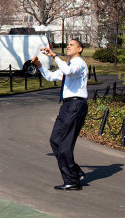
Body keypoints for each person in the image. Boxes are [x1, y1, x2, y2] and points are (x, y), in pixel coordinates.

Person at [31, 39, 88, 191]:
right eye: (67, 45)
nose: (68, 46)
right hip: (67, 106)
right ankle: (75, 172)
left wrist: (54, 56)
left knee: (64, 143)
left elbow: (69, 72)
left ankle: (72, 181)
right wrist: (40, 66)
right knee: (55, 140)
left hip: (76, 105)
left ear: (80, 49)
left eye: (72, 45)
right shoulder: (68, 65)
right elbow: (50, 77)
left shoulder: (79, 64)